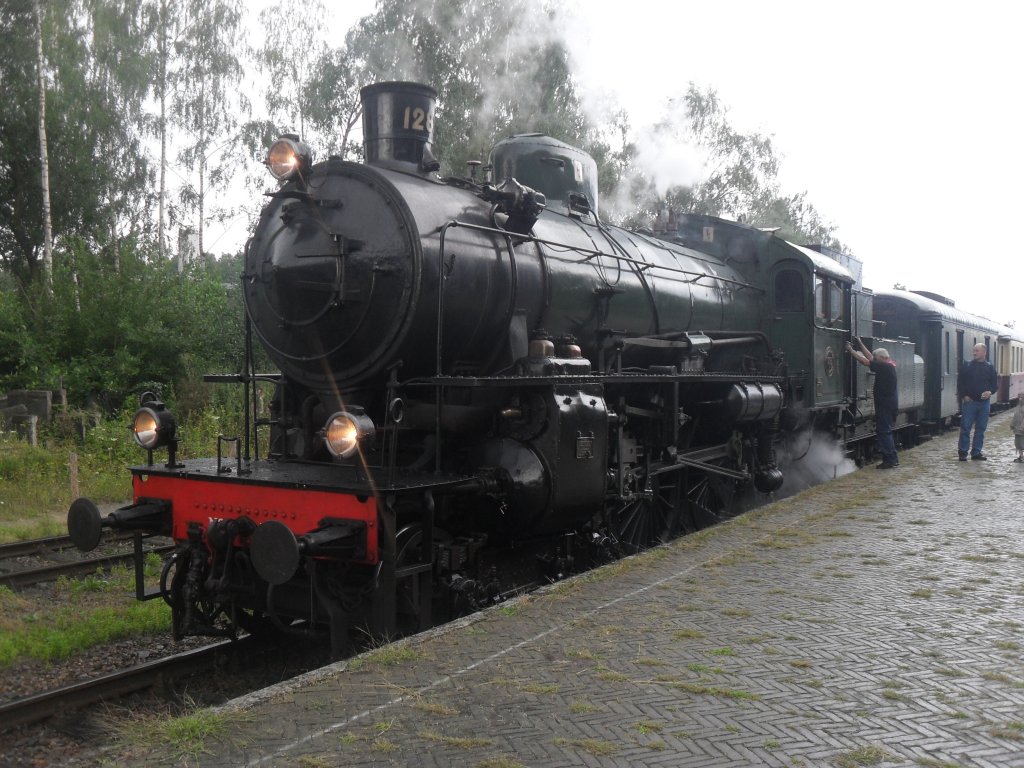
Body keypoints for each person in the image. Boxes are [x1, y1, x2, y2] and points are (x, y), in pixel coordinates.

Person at [847, 336, 899, 469]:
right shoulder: (888, 365)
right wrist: (859, 343)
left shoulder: (885, 368)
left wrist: (851, 351)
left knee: (884, 431)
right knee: (886, 431)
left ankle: (889, 460)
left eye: (877, 359)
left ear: (882, 358)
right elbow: (871, 357)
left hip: (884, 404)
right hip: (888, 403)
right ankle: (893, 458)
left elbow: (866, 361)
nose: (874, 360)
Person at [957, 343, 998, 461]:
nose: (974, 353)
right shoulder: (967, 366)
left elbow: (995, 385)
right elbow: (960, 382)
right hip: (970, 402)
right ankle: (963, 452)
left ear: (984, 352)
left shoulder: (990, 367)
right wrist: (964, 395)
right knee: (965, 428)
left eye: (977, 351)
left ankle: (976, 452)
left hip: (984, 403)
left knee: (981, 428)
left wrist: (990, 392)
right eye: (974, 350)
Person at [1012, 397, 1024, 463]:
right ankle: (1021, 456)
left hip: (1022, 428)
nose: (1020, 398)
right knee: (1018, 443)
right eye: (1019, 396)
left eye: (1022, 396)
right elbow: (1015, 416)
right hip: (1017, 428)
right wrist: (1012, 424)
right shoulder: (1018, 406)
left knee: (1022, 443)